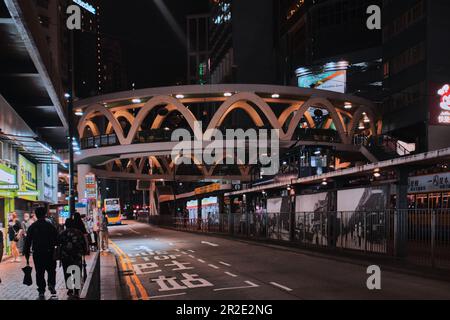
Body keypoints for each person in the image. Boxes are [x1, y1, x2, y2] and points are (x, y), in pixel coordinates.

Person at [23, 207, 58, 300]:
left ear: (36, 215)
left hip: (38, 253)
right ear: (45, 214)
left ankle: (41, 291)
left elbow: (27, 242)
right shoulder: (50, 226)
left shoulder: (32, 226)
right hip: (49, 252)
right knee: (51, 270)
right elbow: (57, 239)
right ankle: (51, 284)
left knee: (39, 272)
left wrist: (26, 255)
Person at [58, 219, 88, 299]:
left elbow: (58, 243)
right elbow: (83, 243)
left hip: (66, 256)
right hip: (77, 256)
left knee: (67, 272)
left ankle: (70, 290)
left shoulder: (62, 233)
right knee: (77, 271)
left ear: (66, 225)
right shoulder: (78, 232)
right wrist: (84, 252)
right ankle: (76, 290)